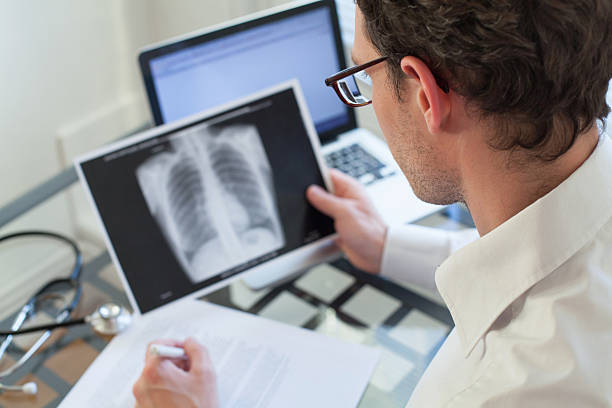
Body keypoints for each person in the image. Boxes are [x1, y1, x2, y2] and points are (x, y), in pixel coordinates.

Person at [133, 0, 612, 406]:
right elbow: (531, 257)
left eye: (362, 74)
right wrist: (384, 245)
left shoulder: (489, 390)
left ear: (425, 94)